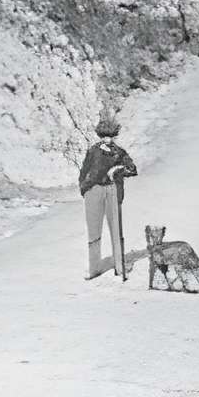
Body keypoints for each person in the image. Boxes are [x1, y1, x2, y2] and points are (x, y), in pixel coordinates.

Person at [79, 112, 137, 280]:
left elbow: (132, 169)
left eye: (111, 136)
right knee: (93, 231)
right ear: (100, 135)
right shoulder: (93, 151)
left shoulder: (119, 152)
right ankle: (94, 268)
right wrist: (85, 188)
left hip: (112, 190)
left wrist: (117, 170)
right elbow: (84, 171)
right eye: (105, 136)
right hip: (93, 191)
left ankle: (119, 267)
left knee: (116, 230)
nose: (108, 140)